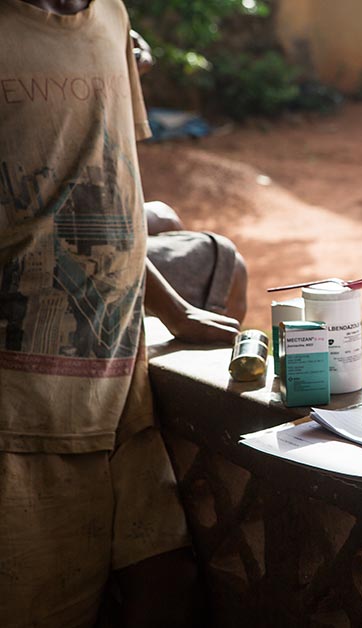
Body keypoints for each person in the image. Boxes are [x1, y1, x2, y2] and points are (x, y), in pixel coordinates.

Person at [0, 0, 239, 625]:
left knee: (166, 584)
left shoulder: (111, 17)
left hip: (118, 395)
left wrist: (178, 310)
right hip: (20, 419)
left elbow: (113, 183)